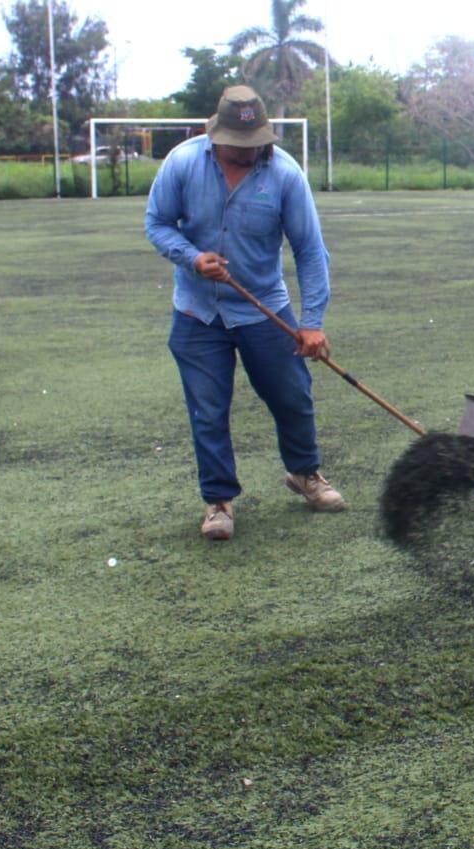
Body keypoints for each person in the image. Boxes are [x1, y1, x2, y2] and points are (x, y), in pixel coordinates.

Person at [145, 85, 346, 542]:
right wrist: (192, 257)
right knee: (208, 410)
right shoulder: (182, 162)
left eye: (254, 143)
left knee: (292, 396)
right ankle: (218, 500)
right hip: (198, 312)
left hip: (263, 308)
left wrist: (311, 322)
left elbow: (310, 251)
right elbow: (156, 223)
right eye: (237, 145)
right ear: (214, 136)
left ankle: (304, 473)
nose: (247, 152)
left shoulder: (285, 174)